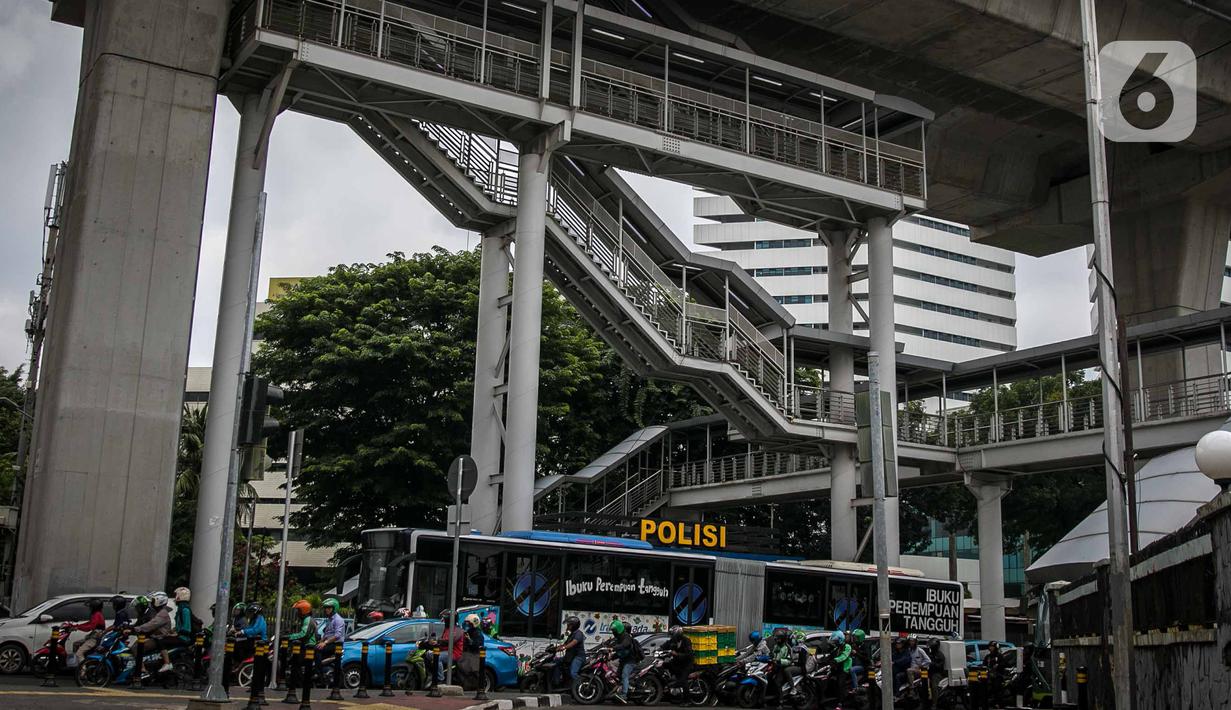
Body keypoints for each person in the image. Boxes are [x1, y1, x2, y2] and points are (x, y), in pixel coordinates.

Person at [129, 591, 175, 672]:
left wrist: (136, 629)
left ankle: (142, 669)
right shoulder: (156, 612)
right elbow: (139, 625)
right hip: (155, 637)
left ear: (159, 601)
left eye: (153, 600)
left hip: (159, 638)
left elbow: (151, 625)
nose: (151, 603)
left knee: (135, 648)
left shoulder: (162, 613)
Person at [610, 619, 641, 703]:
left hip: (631, 661)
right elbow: (620, 651)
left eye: (614, 630)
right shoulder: (618, 638)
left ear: (619, 629)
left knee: (624, 675)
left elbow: (625, 645)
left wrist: (613, 648)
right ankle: (625, 688)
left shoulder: (626, 636)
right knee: (618, 675)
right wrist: (611, 655)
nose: (613, 632)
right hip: (624, 660)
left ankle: (624, 695)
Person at [67, 598, 107, 664]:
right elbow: (88, 623)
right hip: (93, 636)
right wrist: (76, 626)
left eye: (91, 607)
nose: (89, 608)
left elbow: (90, 627)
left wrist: (77, 628)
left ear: (94, 607)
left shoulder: (97, 615)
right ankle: (76, 664)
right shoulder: (96, 614)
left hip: (95, 638)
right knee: (76, 644)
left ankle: (82, 671)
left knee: (79, 653)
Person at [554, 616, 586, 687]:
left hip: (578, 657)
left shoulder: (578, 633)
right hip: (570, 656)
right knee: (556, 662)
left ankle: (583, 685)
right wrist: (555, 648)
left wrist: (564, 647)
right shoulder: (571, 634)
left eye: (569, 625)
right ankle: (557, 683)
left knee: (573, 673)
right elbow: (565, 643)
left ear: (573, 625)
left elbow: (574, 642)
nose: (568, 626)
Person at [663, 626, 694, 697]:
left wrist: (677, 654)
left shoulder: (686, 641)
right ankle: (668, 683)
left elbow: (688, 654)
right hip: (677, 662)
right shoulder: (672, 641)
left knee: (683, 680)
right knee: (663, 665)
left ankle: (687, 700)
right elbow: (665, 645)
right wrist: (658, 650)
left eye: (672, 635)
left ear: (678, 634)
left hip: (686, 664)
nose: (671, 637)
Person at [317, 598, 346, 669]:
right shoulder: (329, 619)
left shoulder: (338, 619)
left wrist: (325, 643)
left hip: (335, 645)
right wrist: (321, 641)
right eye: (325, 608)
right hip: (329, 643)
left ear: (334, 608)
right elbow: (327, 633)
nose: (326, 609)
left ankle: (318, 672)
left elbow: (337, 636)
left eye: (329, 608)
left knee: (317, 650)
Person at [461, 613, 484, 689]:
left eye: (469, 624)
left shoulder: (478, 633)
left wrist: (469, 640)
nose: (468, 625)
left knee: (472, 670)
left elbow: (475, 644)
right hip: (469, 654)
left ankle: (477, 686)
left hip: (474, 655)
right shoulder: (470, 631)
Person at [829, 631, 852, 697]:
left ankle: (841, 702)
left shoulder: (847, 646)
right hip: (837, 668)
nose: (835, 642)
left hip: (844, 668)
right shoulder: (837, 648)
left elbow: (844, 656)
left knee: (840, 684)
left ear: (840, 639)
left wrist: (835, 660)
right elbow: (832, 655)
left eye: (836, 641)